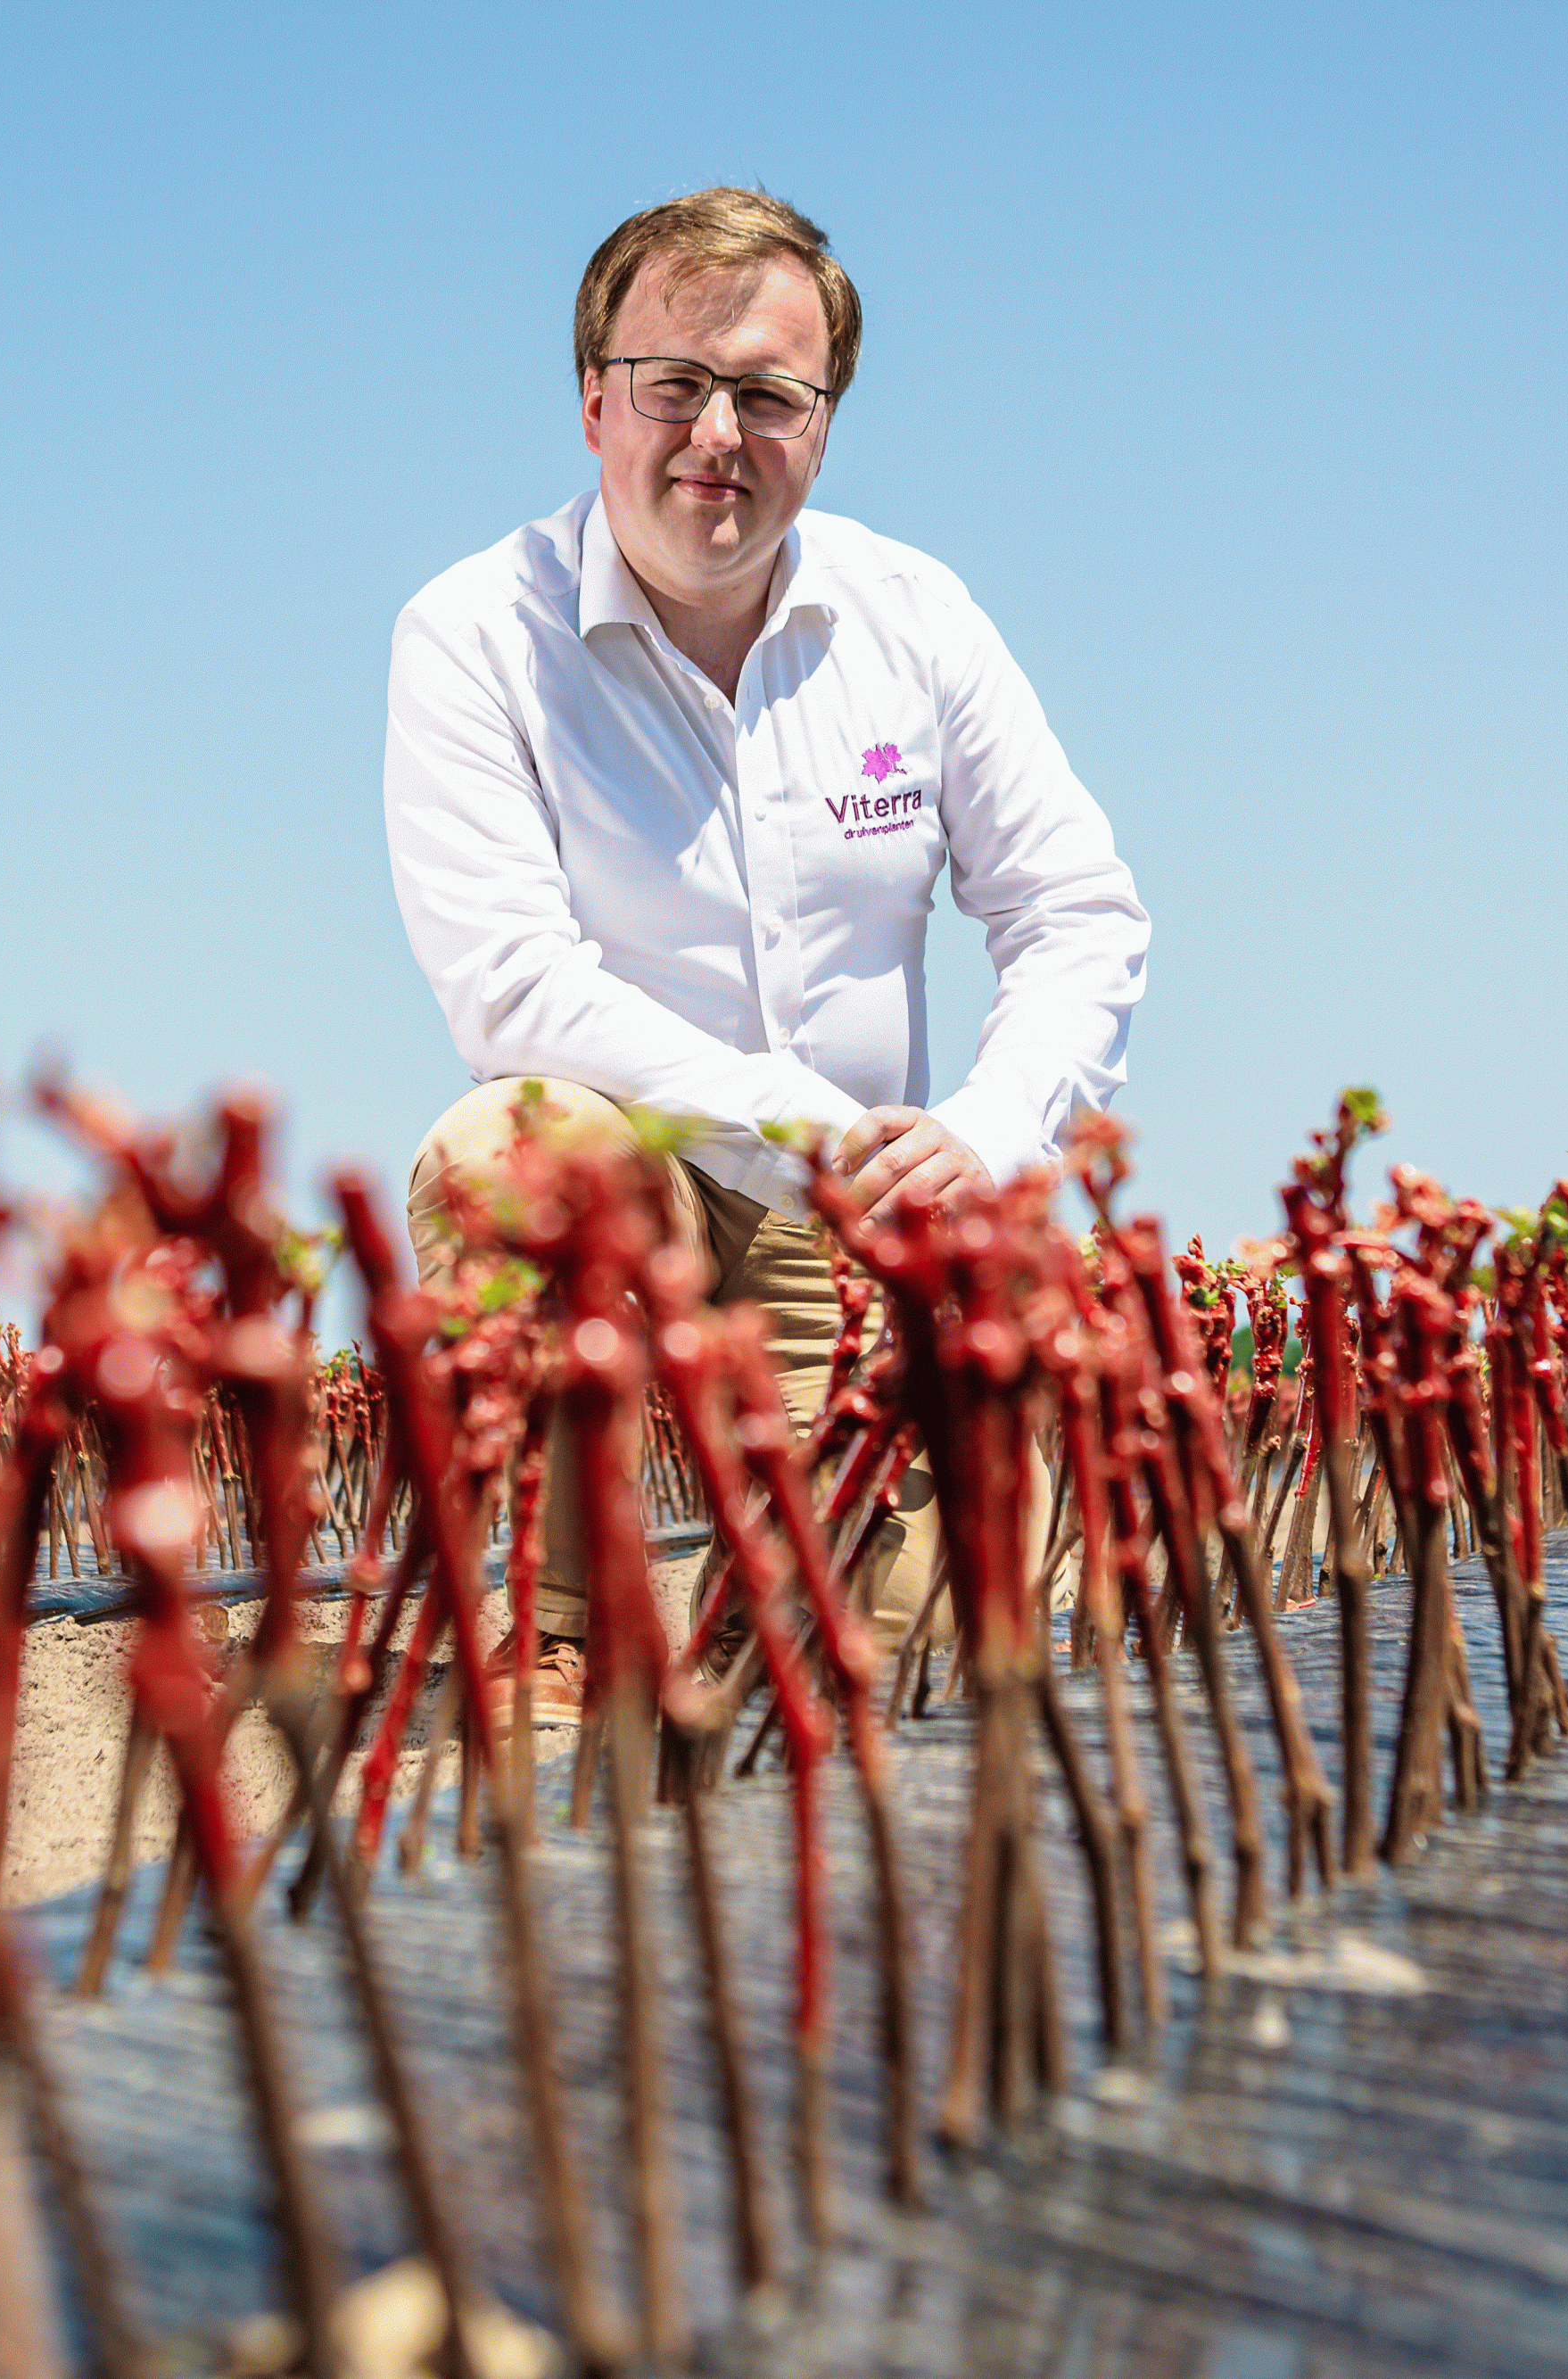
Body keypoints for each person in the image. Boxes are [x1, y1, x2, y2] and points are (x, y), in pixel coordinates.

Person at [383, 186, 1148, 1730]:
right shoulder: (474, 633)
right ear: (593, 400)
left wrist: (985, 1139)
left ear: (825, 421)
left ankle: (766, 1673)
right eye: (675, 383)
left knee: (889, 1677)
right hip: (640, 1173)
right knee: (517, 1145)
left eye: (769, 393)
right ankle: (546, 1633)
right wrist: (796, 1113)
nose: (715, 433)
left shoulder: (914, 615)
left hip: (858, 1225)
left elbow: (1077, 911)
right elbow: (511, 984)